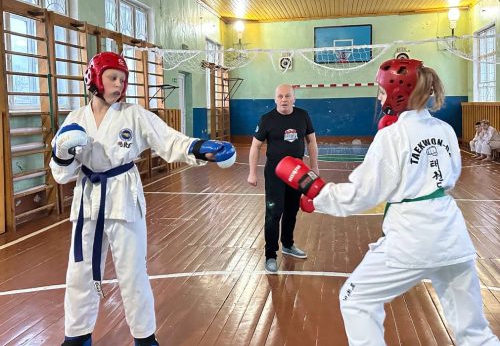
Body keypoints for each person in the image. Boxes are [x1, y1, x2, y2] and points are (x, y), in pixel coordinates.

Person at [275, 58, 499, 345]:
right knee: (475, 333)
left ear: (398, 94)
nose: (379, 98)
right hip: (453, 235)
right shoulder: (444, 129)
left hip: (413, 237)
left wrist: (316, 194)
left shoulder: (392, 136)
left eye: (381, 92)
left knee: (357, 300)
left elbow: (362, 195)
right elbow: (451, 175)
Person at [50, 52, 236, 346]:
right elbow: (62, 174)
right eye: (113, 78)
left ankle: (144, 338)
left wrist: (199, 148)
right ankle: (76, 336)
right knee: (79, 274)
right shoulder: (75, 120)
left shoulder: (134, 115)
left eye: (123, 80)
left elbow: (168, 139)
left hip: (124, 198)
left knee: (133, 274)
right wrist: (61, 154)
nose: (119, 85)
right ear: (94, 79)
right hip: (87, 203)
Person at [247, 84, 319, 274]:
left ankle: (287, 244)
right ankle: (270, 255)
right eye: (280, 96)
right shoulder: (267, 119)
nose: (284, 99)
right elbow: (255, 146)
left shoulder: (303, 116)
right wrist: (252, 172)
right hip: (275, 173)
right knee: (274, 212)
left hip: (297, 173)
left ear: (294, 98)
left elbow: (311, 141)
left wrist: (315, 167)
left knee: (292, 210)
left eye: (287, 96)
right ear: (275, 99)